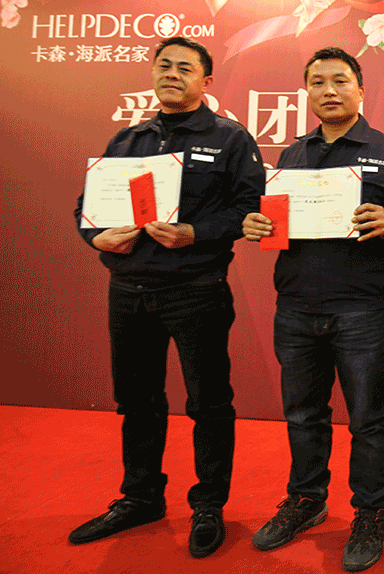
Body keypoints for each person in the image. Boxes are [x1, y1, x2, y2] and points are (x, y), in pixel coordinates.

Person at [70, 37, 265, 557]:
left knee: (208, 402)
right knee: (136, 401)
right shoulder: (128, 139)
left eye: (184, 68)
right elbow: (87, 207)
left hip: (195, 289)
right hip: (127, 290)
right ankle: (141, 497)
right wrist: (96, 237)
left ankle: (209, 504)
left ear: (206, 81)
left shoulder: (229, 138)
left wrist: (194, 233)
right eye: (164, 66)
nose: (172, 74)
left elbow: (250, 210)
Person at [241, 47, 384, 571]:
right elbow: (276, 226)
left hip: (360, 309)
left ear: (360, 89)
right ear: (306, 92)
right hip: (295, 306)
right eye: (318, 82)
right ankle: (306, 500)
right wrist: (258, 225)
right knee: (303, 414)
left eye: (340, 81)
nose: (329, 90)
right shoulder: (290, 158)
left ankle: (371, 511)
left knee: (369, 419)